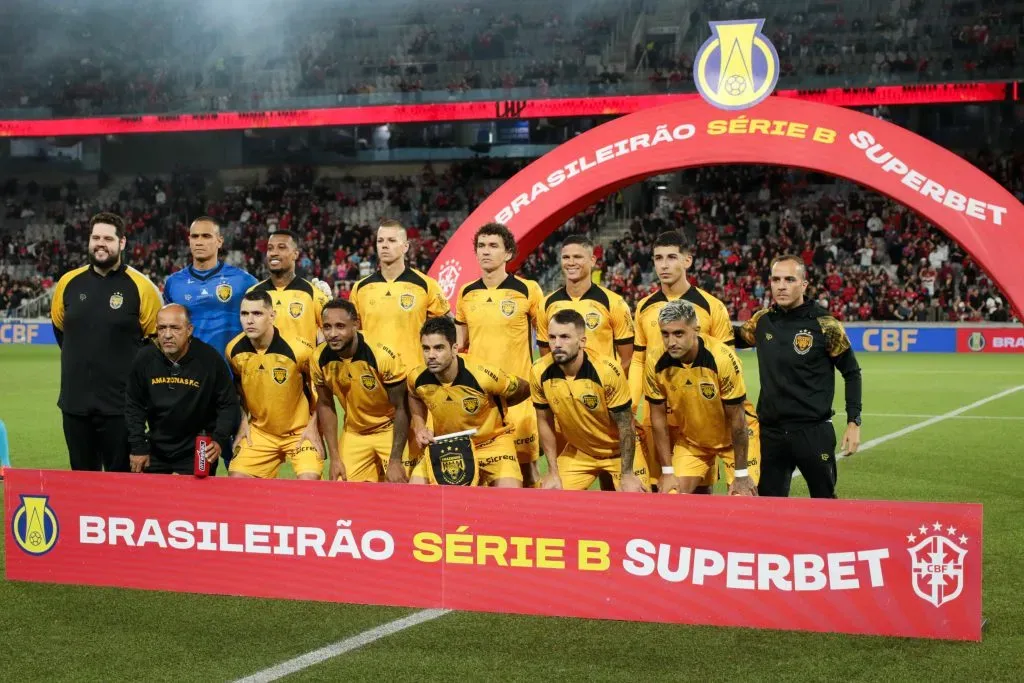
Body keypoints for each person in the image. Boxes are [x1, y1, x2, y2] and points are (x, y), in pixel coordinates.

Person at [734, 255, 863, 498]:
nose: (781, 285)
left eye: (789, 279)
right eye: (776, 279)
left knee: (824, 503)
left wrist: (854, 421)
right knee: (769, 507)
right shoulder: (762, 320)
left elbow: (852, 372)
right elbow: (736, 336)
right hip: (771, 433)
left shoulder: (825, 324)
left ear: (803, 285)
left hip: (812, 431)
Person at [50, 212, 163, 472]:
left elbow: (155, 344)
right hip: (75, 405)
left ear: (122, 243)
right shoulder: (68, 282)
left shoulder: (142, 287)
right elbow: (60, 330)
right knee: (81, 480)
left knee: (120, 486)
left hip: (121, 409)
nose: (101, 243)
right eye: (95, 237)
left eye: (108, 238)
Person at [630, 231, 736, 492]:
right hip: (656, 413)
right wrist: (631, 406)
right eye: (658, 258)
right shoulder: (644, 307)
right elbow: (639, 361)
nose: (663, 265)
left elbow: (728, 362)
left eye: (671, 257)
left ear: (687, 261)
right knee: (660, 488)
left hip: (699, 415)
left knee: (700, 490)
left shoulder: (712, 307)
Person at [455, 223, 544, 487]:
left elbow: (547, 340)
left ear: (508, 253)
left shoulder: (528, 290)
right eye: (481, 246)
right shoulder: (466, 292)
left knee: (527, 473)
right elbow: (459, 343)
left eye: (493, 246)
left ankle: (530, 527)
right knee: (478, 472)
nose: (486, 251)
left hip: (519, 397)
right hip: (481, 399)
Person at [644, 301, 758, 496]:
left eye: (679, 333)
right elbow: (658, 417)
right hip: (693, 441)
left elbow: (738, 419)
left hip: (735, 440)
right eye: (665, 334)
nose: (671, 342)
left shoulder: (722, 358)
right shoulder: (655, 360)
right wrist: (667, 471)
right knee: (671, 495)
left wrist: (741, 474)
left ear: (695, 329)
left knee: (742, 499)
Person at [531, 310, 647, 492]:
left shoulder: (607, 370)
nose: (557, 344)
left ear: (582, 342)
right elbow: (544, 421)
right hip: (580, 452)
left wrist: (627, 474)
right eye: (552, 337)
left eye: (565, 337)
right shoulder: (539, 370)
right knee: (547, 498)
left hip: (618, 453)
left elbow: (626, 425)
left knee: (636, 500)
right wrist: (553, 472)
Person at [407, 317, 530, 487]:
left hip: (492, 443)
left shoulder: (484, 376)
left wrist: (498, 405)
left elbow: (524, 388)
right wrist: (420, 427)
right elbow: (413, 395)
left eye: (439, 348)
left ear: (454, 349)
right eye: (426, 349)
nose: (431, 356)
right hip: (449, 445)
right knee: (415, 489)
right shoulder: (417, 377)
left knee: (509, 497)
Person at [124, 304, 239, 474]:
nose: (168, 335)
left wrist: (219, 440)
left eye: (175, 328)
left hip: (198, 449)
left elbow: (228, 403)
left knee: (196, 500)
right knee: (149, 499)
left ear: (189, 329)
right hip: (156, 448)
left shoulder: (209, 359)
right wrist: (138, 446)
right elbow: (134, 405)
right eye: (162, 328)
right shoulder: (144, 358)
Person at [226, 291, 323, 480]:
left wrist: (313, 426)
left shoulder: (299, 350)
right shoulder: (233, 350)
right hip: (260, 433)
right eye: (244, 314)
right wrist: (243, 422)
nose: (250, 320)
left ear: (272, 316)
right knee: (236, 482)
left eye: (257, 314)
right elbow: (237, 389)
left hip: (300, 432)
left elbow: (323, 391)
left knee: (309, 484)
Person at [313, 299, 411, 483]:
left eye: (340, 326)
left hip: (389, 429)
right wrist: (334, 458)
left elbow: (402, 408)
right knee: (339, 485)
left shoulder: (381, 355)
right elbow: (325, 404)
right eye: (327, 327)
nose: (333, 334)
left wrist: (395, 459)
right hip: (355, 432)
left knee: (401, 486)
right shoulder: (319, 358)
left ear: (356, 324)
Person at [349, 218, 451, 371]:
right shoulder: (360, 288)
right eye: (380, 241)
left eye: (391, 240)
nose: (384, 245)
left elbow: (448, 327)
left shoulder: (426, 285)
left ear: (405, 247)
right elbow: (352, 334)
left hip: (414, 374)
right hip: (372, 376)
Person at [162, 217, 259, 361]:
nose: (199, 242)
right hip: (188, 373)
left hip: (232, 372)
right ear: (189, 240)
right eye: (195, 236)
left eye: (206, 236)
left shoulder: (244, 281)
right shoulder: (173, 283)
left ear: (219, 241)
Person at [536, 234, 635, 373]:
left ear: (592, 260)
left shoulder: (614, 302)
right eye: (566, 257)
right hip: (562, 392)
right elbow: (546, 358)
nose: (571, 262)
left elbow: (628, 359)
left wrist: (609, 386)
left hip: (602, 391)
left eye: (578, 257)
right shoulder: (546, 304)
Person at [247, 230, 331, 348]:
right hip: (262, 365)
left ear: (295, 254)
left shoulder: (313, 293)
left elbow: (331, 334)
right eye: (270, 248)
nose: (273, 253)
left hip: (303, 366)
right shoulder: (253, 293)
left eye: (281, 247)